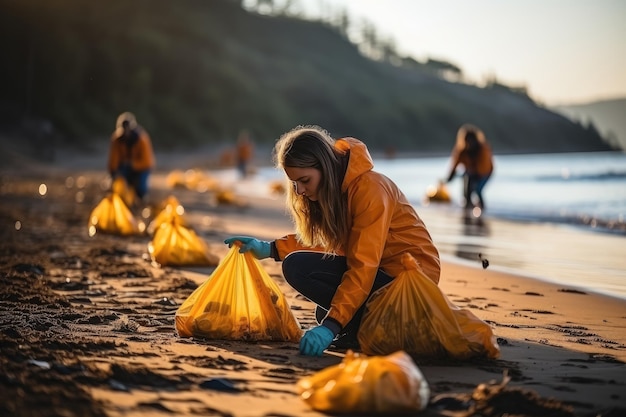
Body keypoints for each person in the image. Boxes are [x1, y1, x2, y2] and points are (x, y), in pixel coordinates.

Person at [224, 125, 440, 357]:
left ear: (324, 166)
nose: (300, 191)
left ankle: (381, 327)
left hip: (410, 283)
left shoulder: (370, 190)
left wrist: (331, 327)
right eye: (295, 183)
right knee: (322, 311)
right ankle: (365, 328)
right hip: (386, 273)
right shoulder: (341, 188)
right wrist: (270, 248)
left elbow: (363, 265)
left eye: (304, 180)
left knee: (299, 269)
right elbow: (328, 242)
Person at [107, 112, 155, 202]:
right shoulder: (117, 140)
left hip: (142, 168)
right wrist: (114, 172)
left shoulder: (142, 139)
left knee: (141, 187)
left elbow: (148, 162)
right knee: (116, 183)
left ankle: (141, 197)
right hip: (125, 167)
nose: (126, 132)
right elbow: (113, 160)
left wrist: (133, 165)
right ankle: (123, 199)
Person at [445, 124, 494, 212]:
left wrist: (474, 174)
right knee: (466, 188)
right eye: (467, 140)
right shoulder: (461, 151)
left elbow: (484, 168)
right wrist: (449, 178)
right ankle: (467, 207)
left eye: (472, 140)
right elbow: (455, 165)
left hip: (485, 173)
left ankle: (481, 210)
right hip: (471, 173)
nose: (470, 143)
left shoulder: (483, 149)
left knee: (478, 190)